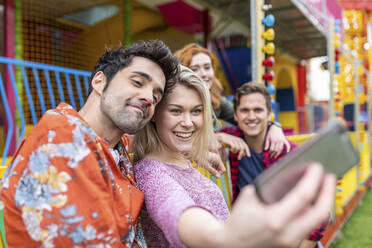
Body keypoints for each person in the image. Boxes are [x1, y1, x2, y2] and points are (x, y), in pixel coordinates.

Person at [133, 65, 336, 248]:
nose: (188, 122)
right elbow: (176, 211)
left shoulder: (285, 150)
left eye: (196, 111)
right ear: (154, 113)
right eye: (176, 111)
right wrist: (225, 237)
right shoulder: (152, 173)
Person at [1, 40, 179, 247]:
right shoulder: (62, 134)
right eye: (138, 82)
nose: (149, 98)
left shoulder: (115, 147)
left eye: (156, 97)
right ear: (99, 82)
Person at [219, 81, 326, 248]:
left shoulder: (289, 153)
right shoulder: (231, 141)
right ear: (236, 115)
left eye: (258, 110)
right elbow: (200, 139)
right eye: (245, 110)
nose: (251, 116)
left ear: (269, 114)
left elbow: (320, 208)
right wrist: (218, 138)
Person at [174, 43, 290, 158]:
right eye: (195, 69)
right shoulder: (174, 103)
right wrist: (218, 137)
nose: (204, 74)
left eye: (207, 67)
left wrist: (274, 127)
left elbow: (245, 117)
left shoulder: (216, 101)